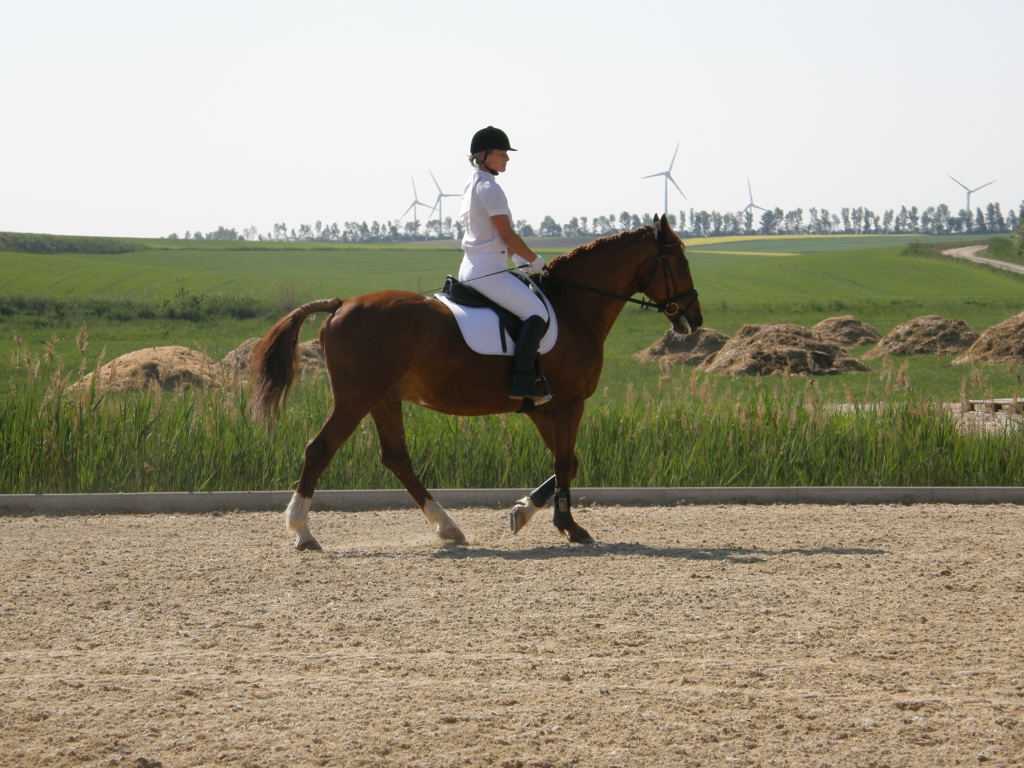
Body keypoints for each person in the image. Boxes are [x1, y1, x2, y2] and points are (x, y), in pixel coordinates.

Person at [458, 125, 552, 403]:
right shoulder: (490, 187)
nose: (507, 158)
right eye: (501, 153)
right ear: (482, 155)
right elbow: (507, 234)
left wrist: (518, 260)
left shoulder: (473, 184)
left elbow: (495, 237)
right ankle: (523, 381)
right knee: (537, 313)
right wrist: (534, 260)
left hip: (475, 266)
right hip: (488, 271)